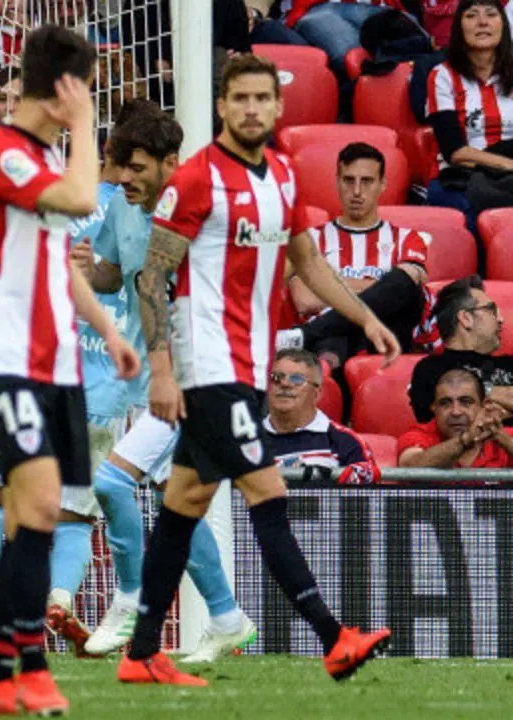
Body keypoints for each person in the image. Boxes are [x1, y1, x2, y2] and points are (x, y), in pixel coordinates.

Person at [119, 53, 397, 687]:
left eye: (260, 99)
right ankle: (335, 638)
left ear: (277, 108)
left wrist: (365, 318)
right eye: (237, 99)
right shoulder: (194, 180)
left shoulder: (283, 176)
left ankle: (139, 654)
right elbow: (152, 276)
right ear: (221, 106)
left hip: (247, 361)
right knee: (268, 494)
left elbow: (308, 261)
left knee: (183, 502)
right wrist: (163, 373)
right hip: (206, 363)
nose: (249, 109)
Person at [0, 26, 139, 715]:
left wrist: (107, 331)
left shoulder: (34, 155)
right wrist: (89, 129)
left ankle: (4, 676)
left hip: (57, 360)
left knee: (35, 519)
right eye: (86, 89)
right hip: (6, 360)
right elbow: (83, 200)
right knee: (32, 507)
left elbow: (58, 264)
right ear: (66, 87)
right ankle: (25, 671)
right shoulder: (1, 153)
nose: (88, 102)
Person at [73, 107, 256, 664]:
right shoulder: (124, 210)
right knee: (170, 498)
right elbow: (115, 274)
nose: (121, 179)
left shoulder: (198, 220)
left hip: (198, 376)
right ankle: (226, 616)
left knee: (110, 483)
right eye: (118, 167)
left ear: (170, 165)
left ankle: (129, 597)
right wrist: (87, 268)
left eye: (135, 168)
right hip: (152, 378)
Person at [277, 142, 435, 368]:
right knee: (341, 330)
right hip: (325, 349)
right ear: (337, 182)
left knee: (404, 284)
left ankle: (302, 334)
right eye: (349, 180)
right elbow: (305, 300)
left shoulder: (409, 238)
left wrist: (327, 287)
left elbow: (406, 289)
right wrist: (381, 289)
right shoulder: (309, 239)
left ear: (382, 184)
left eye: (367, 181)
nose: (357, 191)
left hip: (384, 342)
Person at [425, 0, 513, 215]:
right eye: (472, 16)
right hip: (463, 173)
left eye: (491, 15)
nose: (482, 22)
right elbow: (455, 152)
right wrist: (508, 165)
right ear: (458, 28)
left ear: (503, 25)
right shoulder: (442, 76)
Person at [265, 349, 380, 485]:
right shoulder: (246, 441)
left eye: (297, 379)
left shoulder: (345, 441)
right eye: (276, 377)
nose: (284, 384)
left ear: (317, 394)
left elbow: (367, 501)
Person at [409, 275, 513, 421]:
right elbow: (449, 425)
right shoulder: (430, 371)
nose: (500, 320)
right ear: (466, 318)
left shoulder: (509, 364)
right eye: (492, 310)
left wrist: (481, 394)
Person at [399, 367, 513, 467]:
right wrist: (467, 438)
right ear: (434, 407)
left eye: (466, 402)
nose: (456, 412)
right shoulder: (418, 435)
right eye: (445, 403)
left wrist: (506, 441)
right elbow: (409, 468)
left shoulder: (505, 436)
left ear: (484, 405)